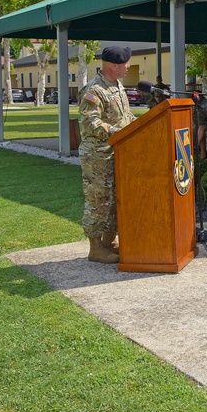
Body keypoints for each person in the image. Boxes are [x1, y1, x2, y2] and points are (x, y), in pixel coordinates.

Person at [78, 45, 136, 264]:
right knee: (98, 200)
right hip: (97, 157)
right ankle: (95, 248)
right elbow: (90, 122)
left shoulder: (117, 86)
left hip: (116, 152)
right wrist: (118, 132)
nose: (129, 66)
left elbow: (126, 115)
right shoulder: (94, 90)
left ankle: (108, 243)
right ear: (114, 65)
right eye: (126, 63)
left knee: (113, 200)